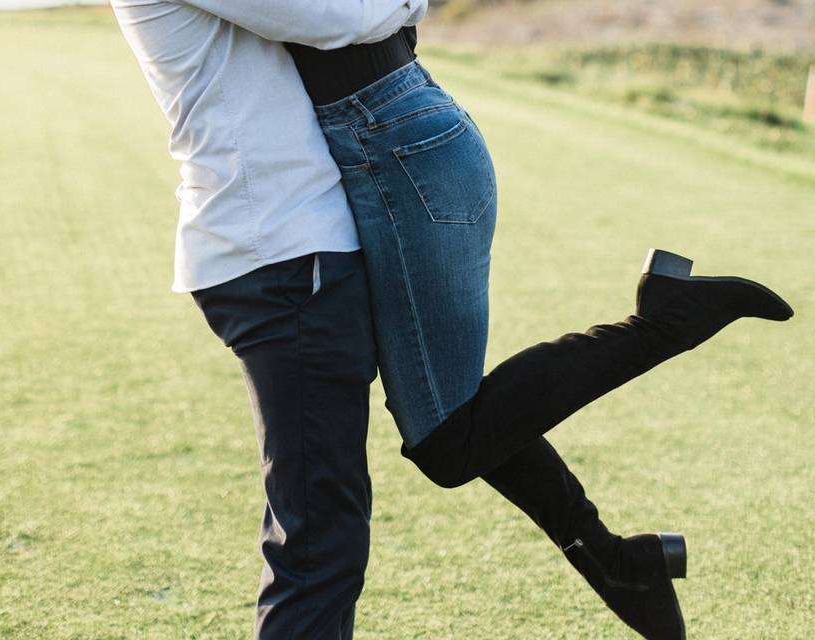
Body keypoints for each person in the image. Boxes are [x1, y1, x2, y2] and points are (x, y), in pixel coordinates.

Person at [284, 24, 794, 640]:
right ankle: (615, 561)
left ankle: (665, 322)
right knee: (458, 419)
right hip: (386, 136)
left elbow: (300, 17)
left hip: (398, 144)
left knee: (448, 440)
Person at [108, 1, 429, 638]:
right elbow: (332, 18)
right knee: (318, 546)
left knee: (323, 531)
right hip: (282, 252)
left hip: (286, 246)